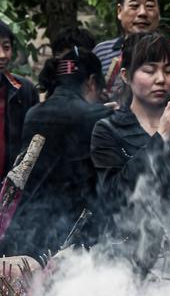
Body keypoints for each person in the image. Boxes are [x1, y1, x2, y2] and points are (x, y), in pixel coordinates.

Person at [91, 31, 170, 276]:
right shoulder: (108, 130)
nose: (161, 79)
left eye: (168, 70)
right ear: (126, 76)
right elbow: (113, 194)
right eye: (149, 70)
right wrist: (161, 138)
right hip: (127, 261)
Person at [2, 44, 113, 257]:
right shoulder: (97, 117)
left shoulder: (33, 114)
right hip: (67, 236)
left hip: (26, 228)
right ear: (91, 82)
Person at [93, 0, 170, 115]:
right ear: (119, 11)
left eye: (150, 6)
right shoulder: (100, 52)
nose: (142, 13)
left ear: (159, 12)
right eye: (134, 6)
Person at [0, 20, 39, 180]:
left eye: (6, 47)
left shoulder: (25, 90)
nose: (2, 55)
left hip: (11, 191)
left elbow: (33, 143)